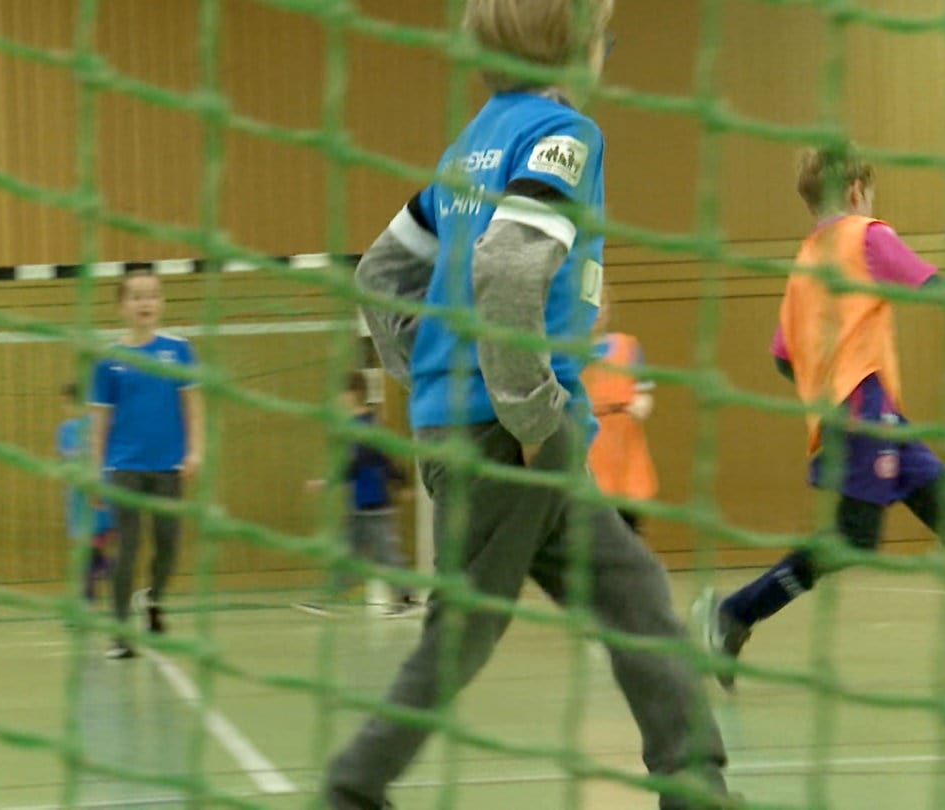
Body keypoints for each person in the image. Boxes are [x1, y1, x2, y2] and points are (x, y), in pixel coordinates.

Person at [324, 1, 736, 807]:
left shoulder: (470, 143)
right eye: (603, 36)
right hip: (511, 435)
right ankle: (351, 786)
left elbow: (378, 276)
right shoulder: (566, 137)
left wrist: (430, 382)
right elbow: (509, 272)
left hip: (477, 427)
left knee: (636, 598)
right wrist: (528, 411)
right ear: (579, 44)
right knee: (464, 636)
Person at [693, 144, 945, 689]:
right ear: (856, 192)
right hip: (864, 412)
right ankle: (733, 614)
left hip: (867, 415)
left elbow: (783, 355)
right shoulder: (866, 234)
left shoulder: (807, 262)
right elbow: (927, 283)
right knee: (851, 537)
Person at [90, 268, 203, 660]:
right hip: (124, 469)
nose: (145, 302)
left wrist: (195, 450)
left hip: (168, 468)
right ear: (122, 306)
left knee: (169, 546)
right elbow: (99, 421)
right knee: (127, 548)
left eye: (152, 295)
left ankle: (153, 598)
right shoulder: (109, 360)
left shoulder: (179, 350)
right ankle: (121, 634)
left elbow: (192, 405)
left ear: (162, 303)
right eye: (136, 296)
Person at [293, 370, 423, 619]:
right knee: (347, 553)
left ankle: (407, 599)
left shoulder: (365, 426)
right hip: (360, 503)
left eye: (340, 394)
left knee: (385, 554)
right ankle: (330, 598)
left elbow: (374, 459)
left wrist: (327, 482)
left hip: (374, 502)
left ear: (352, 394)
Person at [580, 287, 658, 533]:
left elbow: (643, 394)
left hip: (624, 458)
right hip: (586, 455)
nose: (597, 311)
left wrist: (641, 404)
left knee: (627, 528)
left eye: (601, 303)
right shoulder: (563, 353)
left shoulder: (627, 346)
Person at [57, 383, 114, 606]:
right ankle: (101, 586)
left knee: (92, 544)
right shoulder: (65, 429)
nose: (65, 407)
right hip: (77, 493)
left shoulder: (98, 425)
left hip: (97, 489)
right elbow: (65, 462)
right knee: (91, 546)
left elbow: (100, 457)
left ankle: (87, 598)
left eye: (66, 402)